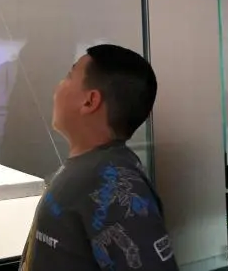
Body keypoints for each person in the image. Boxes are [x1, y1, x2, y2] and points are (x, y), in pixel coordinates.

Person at [19, 44, 179, 270]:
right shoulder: (87, 170)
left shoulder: (114, 186)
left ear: (90, 101)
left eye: (69, 77)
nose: (58, 87)